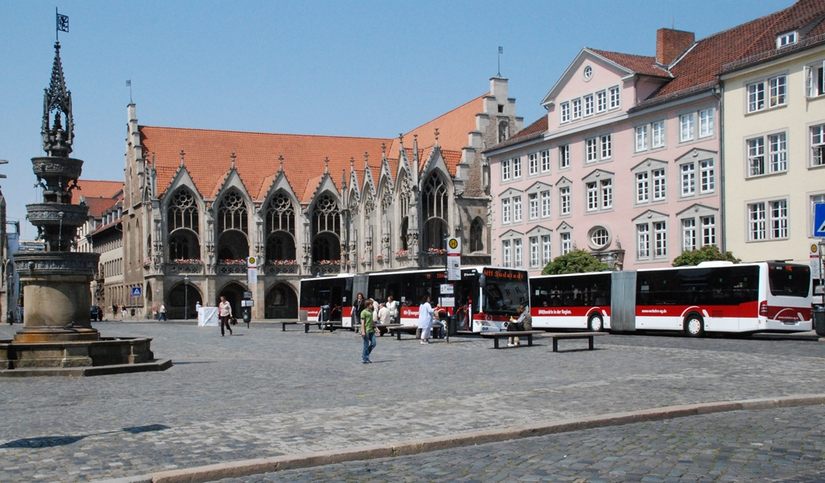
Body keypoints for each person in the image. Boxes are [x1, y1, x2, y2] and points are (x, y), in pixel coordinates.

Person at [360, 298, 376, 363]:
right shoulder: (363, 312)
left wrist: (376, 328)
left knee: (374, 343)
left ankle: (365, 354)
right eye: (371, 304)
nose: (372, 305)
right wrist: (363, 331)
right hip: (366, 331)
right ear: (367, 305)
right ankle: (365, 358)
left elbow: (372, 321)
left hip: (371, 330)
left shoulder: (370, 311)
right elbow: (362, 323)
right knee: (366, 345)